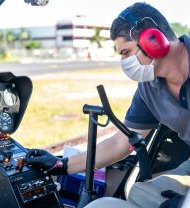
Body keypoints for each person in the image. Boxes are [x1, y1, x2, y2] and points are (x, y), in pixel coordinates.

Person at [26, 2, 190, 208]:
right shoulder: (149, 89)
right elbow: (119, 144)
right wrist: (61, 165)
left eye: (125, 52)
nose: (124, 62)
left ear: (153, 40)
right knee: (138, 194)